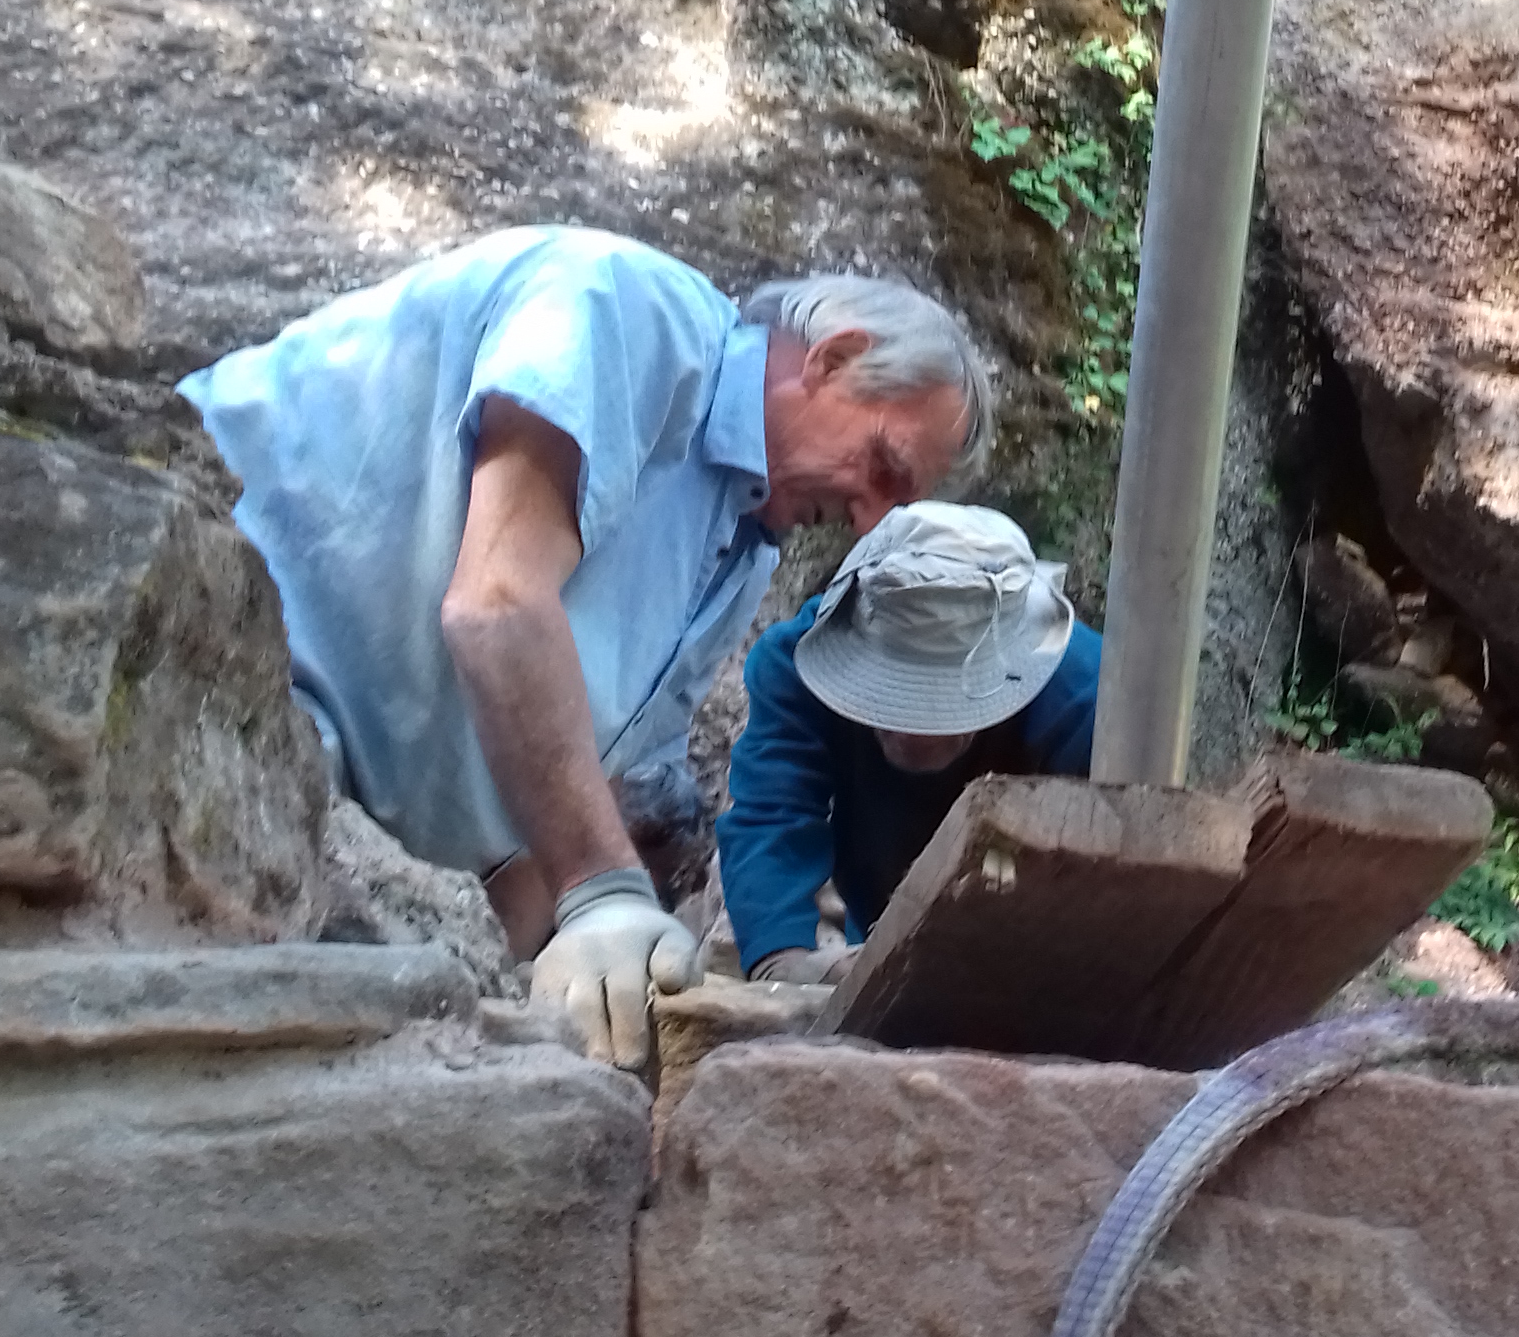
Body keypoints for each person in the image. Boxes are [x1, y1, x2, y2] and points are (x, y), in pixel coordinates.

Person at [178, 226, 992, 1068]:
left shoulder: (742, 552)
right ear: (833, 359)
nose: (868, 521)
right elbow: (497, 603)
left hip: (321, 834)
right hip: (197, 673)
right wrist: (603, 891)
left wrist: (508, 1002)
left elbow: (570, 797)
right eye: (883, 464)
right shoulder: (624, 310)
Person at [715, 502, 1102, 983]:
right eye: (893, 696)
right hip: (874, 912)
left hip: (1038, 937)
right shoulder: (795, 666)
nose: (911, 732)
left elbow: (1108, 881)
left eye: (938, 703)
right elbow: (773, 812)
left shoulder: (1087, 699)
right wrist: (782, 961)